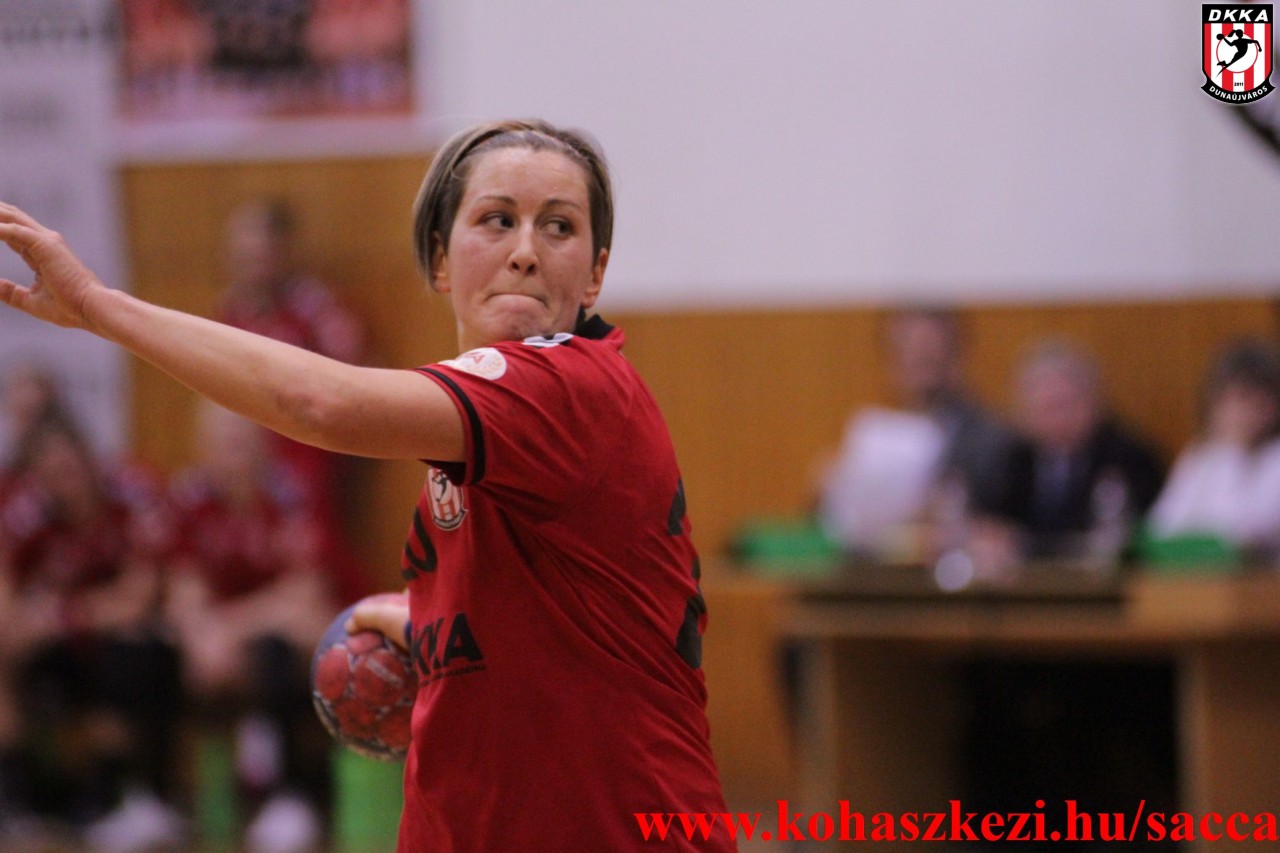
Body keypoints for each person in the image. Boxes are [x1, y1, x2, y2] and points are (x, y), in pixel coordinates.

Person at [0, 118, 733, 851]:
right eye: (497, 219)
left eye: (559, 227)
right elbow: (547, 624)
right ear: (440, 259)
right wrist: (419, 625)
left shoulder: (571, 385)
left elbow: (321, 404)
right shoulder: (471, 452)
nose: (525, 251)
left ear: (595, 275)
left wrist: (97, 306)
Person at [167, 401, 364, 852]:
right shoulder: (192, 501)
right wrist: (202, 639)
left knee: (287, 648)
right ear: (203, 448)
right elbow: (184, 595)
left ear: (264, 445)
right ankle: (151, 797)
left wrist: (229, 630)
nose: (231, 454)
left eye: (241, 442)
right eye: (222, 444)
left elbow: (304, 594)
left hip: (289, 637)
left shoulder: (292, 495)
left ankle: (289, 795)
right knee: (156, 654)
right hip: (229, 643)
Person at [0, 414, 183, 849]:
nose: (65, 481)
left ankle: (132, 797)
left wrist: (65, 614)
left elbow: (138, 597)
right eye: (51, 474)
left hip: (130, 648)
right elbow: (10, 608)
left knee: (132, 653)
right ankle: (14, 800)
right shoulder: (27, 521)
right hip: (58, 649)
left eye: (70, 468)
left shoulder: (130, 500)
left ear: (88, 461)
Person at [817, 308, 1012, 561]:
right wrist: (831, 492)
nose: (916, 359)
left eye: (929, 353)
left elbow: (1004, 530)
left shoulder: (991, 439)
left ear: (955, 357)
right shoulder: (875, 437)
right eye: (905, 350)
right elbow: (843, 533)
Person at [971, 340, 1165, 569]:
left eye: (1067, 405)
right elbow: (990, 521)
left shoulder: (1128, 459)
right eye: (1047, 408)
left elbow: (1133, 534)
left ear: (1093, 402)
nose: (1059, 420)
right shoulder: (1014, 460)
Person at [1145, 338, 1280, 560]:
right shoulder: (1200, 456)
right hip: (1197, 576)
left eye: (1255, 400)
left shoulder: (1274, 459)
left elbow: (1242, 534)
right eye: (1233, 399)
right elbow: (1161, 528)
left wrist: (1233, 452)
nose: (1242, 412)